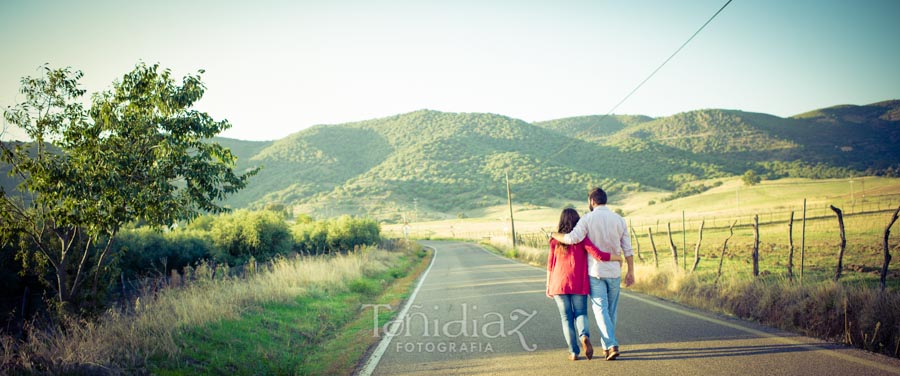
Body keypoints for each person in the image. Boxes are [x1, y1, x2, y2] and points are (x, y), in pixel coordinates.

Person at [551, 188, 634, 361]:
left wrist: (553, 234)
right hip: (614, 271)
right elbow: (628, 248)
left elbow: (572, 238)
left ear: (592, 201)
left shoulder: (587, 219)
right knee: (611, 310)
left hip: (595, 272)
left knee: (600, 310)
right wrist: (631, 271)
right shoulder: (619, 220)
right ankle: (607, 346)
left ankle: (609, 345)